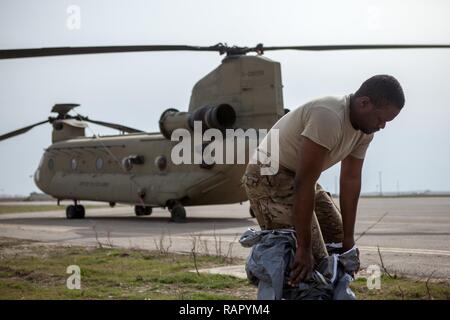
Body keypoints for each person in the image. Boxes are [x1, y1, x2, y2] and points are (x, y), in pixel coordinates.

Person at [242, 74, 405, 288]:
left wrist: (349, 239)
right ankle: (272, 274)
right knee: (310, 258)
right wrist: (303, 246)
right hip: (267, 176)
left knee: (338, 246)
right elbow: (303, 182)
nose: (382, 126)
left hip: (299, 177)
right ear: (364, 103)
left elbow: (351, 180)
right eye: (380, 119)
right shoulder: (328, 117)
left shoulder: (365, 131)